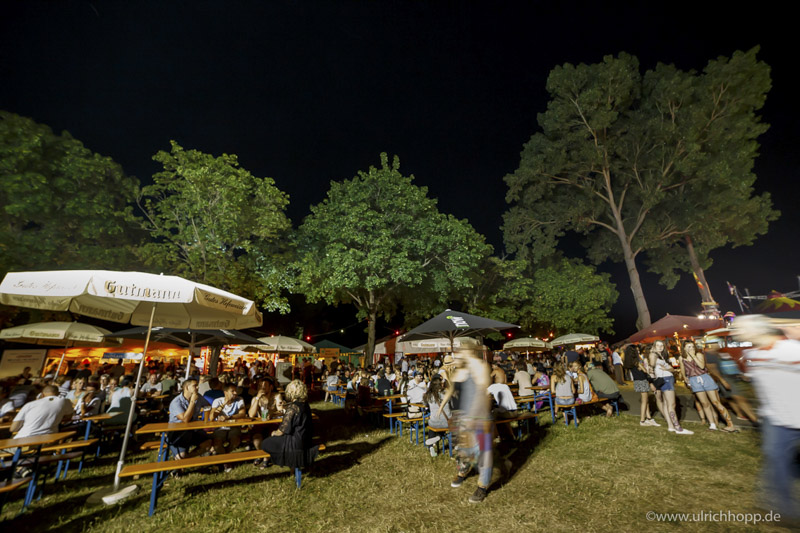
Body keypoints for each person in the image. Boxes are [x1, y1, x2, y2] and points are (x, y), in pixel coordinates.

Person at [734, 315, 800, 522]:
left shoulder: (791, 349)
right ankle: (783, 509)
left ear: (758, 329)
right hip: (775, 418)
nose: (736, 332)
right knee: (775, 457)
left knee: (784, 460)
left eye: (741, 328)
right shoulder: (750, 354)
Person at [437, 348, 493, 504]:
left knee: (483, 452)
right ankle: (462, 472)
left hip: (479, 417)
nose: (457, 357)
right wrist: (442, 406)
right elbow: (451, 390)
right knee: (464, 450)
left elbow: (482, 393)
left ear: (471, 353)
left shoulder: (480, 367)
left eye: (462, 353)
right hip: (462, 416)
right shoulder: (458, 372)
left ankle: (482, 487)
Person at [678, 340, 736, 432]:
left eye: (692, 346)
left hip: (705, 378)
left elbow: (701, 366)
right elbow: (682, 369)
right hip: (694, 380)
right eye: (689, 347)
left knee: (715, 402)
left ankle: (730, 424)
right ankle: (712, 424)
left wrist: (693, 356)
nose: (691, 348)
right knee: (704, 403)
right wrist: (685, 378)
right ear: (684, 348)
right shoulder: (681, 358)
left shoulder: (698, 355)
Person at [259, 380, 318, 469]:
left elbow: (281, 431)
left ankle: (282, 460)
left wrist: (273, 433)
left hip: (295, 443)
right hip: (306, 440)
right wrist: (285, 408)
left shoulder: (293, 407)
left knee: (265, 443)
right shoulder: (305, 405)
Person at [649, 340, 693, 435]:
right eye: (658, 345)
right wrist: (652, 382)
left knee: (666, 404)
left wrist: (668, 369)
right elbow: (651, 368)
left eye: (662, 345)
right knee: (671, 405)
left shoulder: (661, 356)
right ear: (654, 346)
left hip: (667, 379)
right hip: (666, 380)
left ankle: (671, 426)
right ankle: (678, 428)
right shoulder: (653, 355)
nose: (660, 347)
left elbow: (672, 369)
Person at [167, 379, 213, 460]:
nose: (198, 387)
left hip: (193, 430)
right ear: (186, 388)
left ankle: (186, 459)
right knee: (181, 456)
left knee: (208, 443)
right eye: (195, 386)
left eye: (197, 385)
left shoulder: (199, 397)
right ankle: (182, 459)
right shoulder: (176, 402)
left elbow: (209, 406)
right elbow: (185, 419)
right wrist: (192, 402)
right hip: (177, 432)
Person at [211, 384, 246, 472]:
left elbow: (242, 414)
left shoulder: (239, 400)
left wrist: (229, 417)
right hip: (220, 427)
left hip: (234, 426)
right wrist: (223, 404)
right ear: (225, 392)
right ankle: (226, 461)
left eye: (235, 391)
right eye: (232, 391)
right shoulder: (218, 401)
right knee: (217, 444)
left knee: (236, 441)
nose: (235, 393)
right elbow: (211, 417)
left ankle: (223, 458)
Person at [626, 345, 659, 427]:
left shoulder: (629, 361)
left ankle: (649, 418)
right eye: (636, 350)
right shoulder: (637, 362)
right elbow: (644, 371)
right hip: (642, 381)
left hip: (637, 381)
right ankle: (642, 420)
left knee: (646, 400)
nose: (638, 351)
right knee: (644, 401)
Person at [423, 375, 451, 457]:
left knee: (432, 424)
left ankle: (431, 446)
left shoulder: (427, 395)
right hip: (448, 422)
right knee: (443, 422)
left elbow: (425, 405)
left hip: (434, 422)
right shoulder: (446, 393)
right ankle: (440, 436)